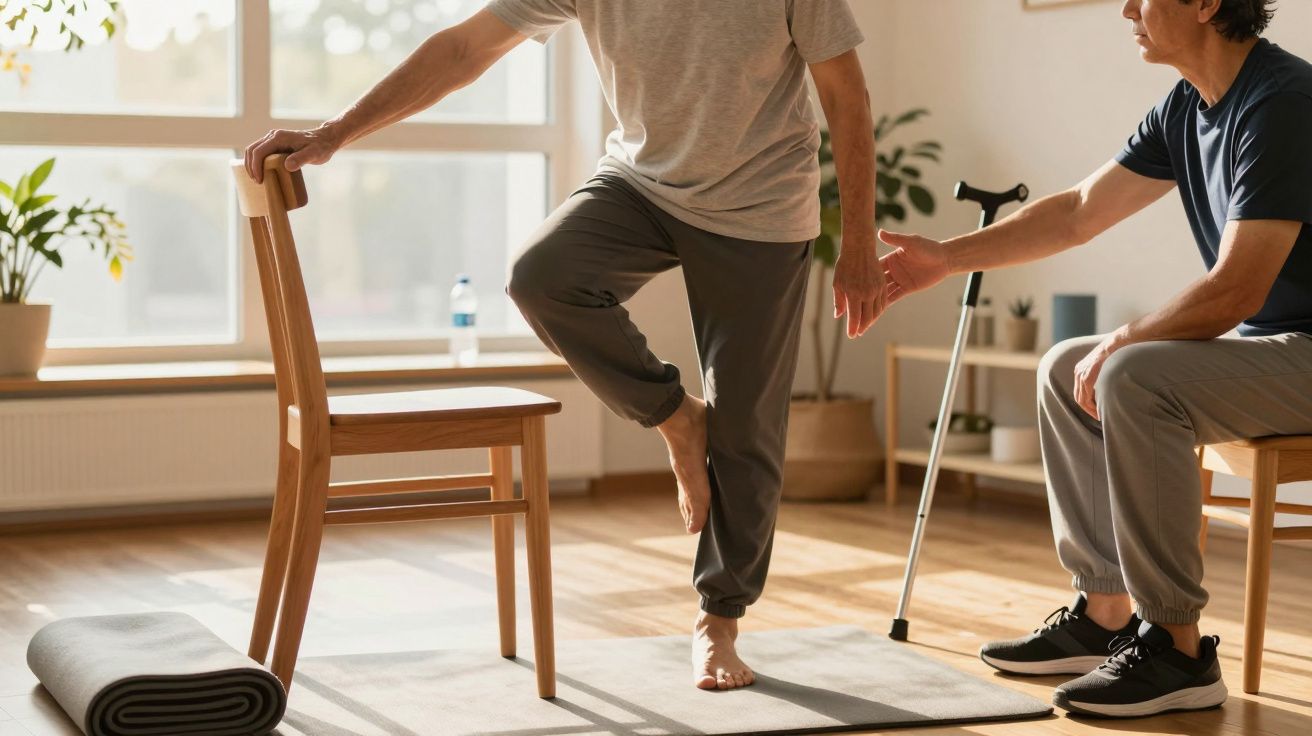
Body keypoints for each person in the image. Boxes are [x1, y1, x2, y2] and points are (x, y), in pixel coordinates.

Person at [244, 0, 884, 691]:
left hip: (760, 204)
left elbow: (845, 95)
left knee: (746, 426)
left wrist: (858, 243)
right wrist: (333, 134)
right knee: (542, 277)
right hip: (641, 185)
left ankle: (718, 620)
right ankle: (677, 417)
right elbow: (464, 50)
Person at [877, 0, 1311, 719]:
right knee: (1063, 367)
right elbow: (1078, 210)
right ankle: (1105, 613)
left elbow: (1238, 289)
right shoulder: (1187, 106)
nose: (1127, 9)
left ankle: (1177, 650)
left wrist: (1124, 339)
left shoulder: (1283, 103)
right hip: (1279, 345)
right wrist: (947, 258)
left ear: (1206, 4)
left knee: (1130, 373)